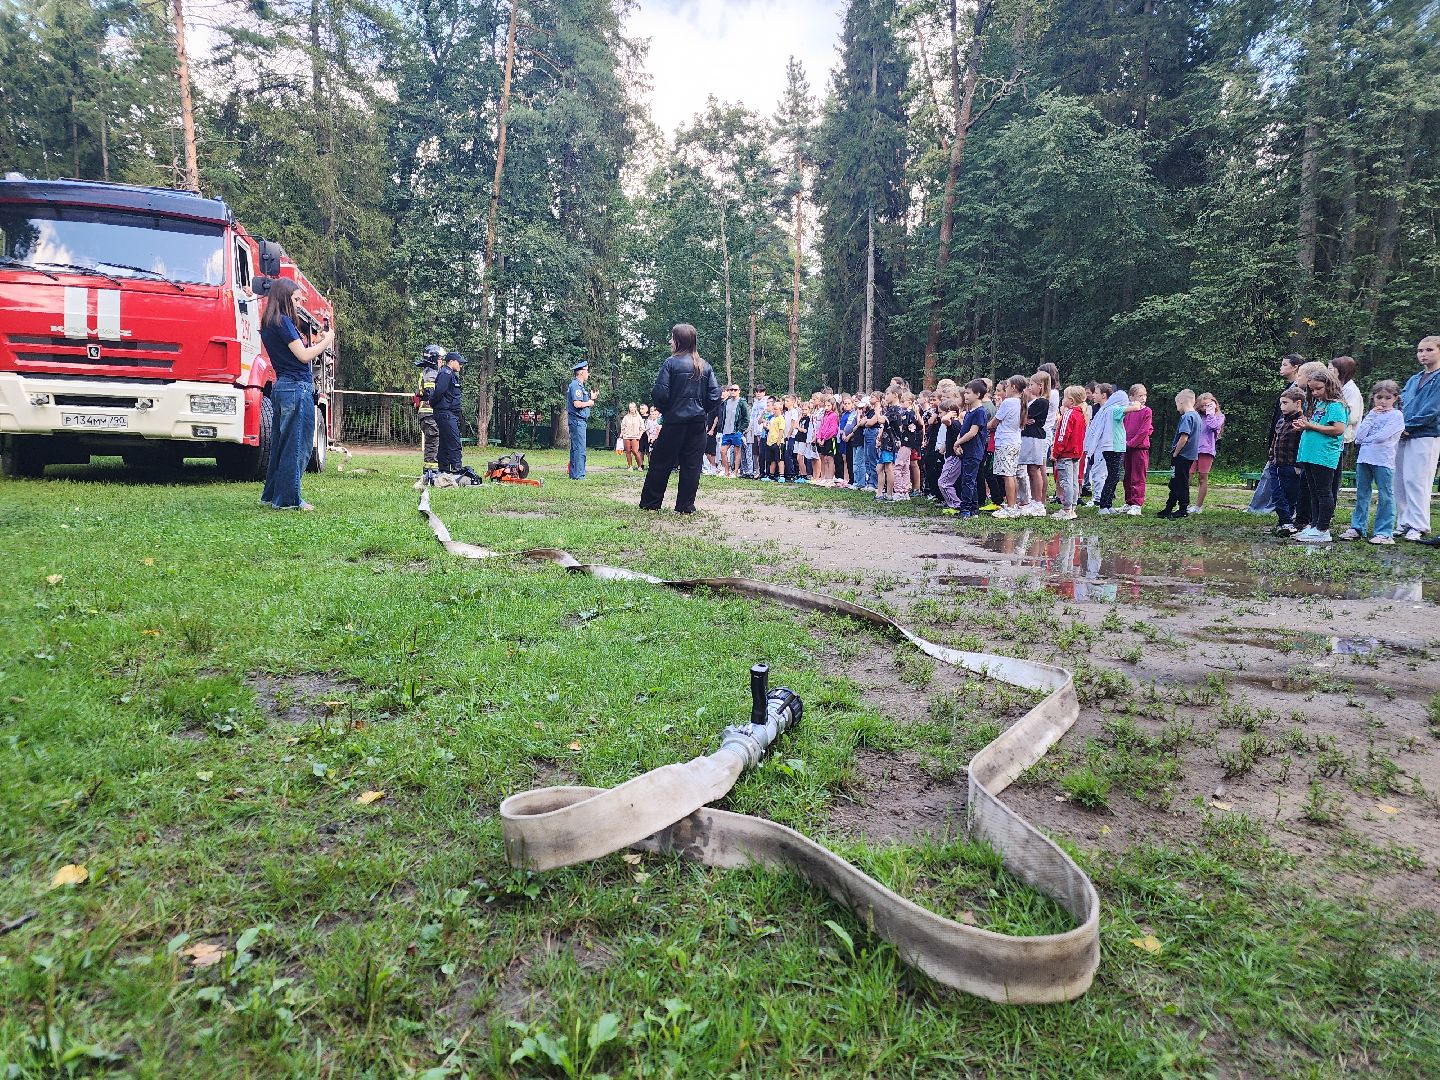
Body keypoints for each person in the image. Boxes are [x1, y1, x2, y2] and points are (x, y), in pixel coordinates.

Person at [258, 278, 334, 510]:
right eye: (296, 299)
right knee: (298, 446)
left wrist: (315, 341)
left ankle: (272, 495)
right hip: (296, 388)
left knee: (281, 446)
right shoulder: (283, 321)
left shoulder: (269, 323)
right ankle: (289, 500)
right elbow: (303, 356)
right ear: (284, 298)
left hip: (282, 386)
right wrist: (327, 341)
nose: (299, 304)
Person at [639, 323, 720, 514]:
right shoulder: (704, 366)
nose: (670, 341)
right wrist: (701, 410)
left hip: (674, 423)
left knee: (660, 462)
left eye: (672, 338)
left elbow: (660, 393)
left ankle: (651, 503)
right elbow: (715, 396)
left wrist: (668, 410)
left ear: (679, 341)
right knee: (692, 466)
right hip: (697, 424)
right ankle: (685, 506)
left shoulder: (670, 363)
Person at [1340, 381, 1404, 544]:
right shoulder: (1371, 414)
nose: (1383, 401)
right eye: (1379, 397)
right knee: (1362, 493)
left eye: (1387, 398)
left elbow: (1383, 436)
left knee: (1385, 495)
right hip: (1364, 458)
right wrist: (1371, 417)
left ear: (1395, 398)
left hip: (1383, 460)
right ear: (1373, 397)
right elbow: (1359, 436)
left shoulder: (1396, 415)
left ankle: (1384, 532)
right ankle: (1357, 527)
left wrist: (1366, 440)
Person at [1291, 367, 1348, 543]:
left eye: (1319, 388)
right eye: (1312, 389)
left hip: (1324, 455)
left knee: (1324, 492)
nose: (1315, 393)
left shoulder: (1336, 405)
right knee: (1313, 492)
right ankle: (1314, 526)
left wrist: (1311, 426)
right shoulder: (1319, 404)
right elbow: (1317, 425)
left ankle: (1323, 529)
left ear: (1329, 385)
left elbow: (1338, 429)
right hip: (1310, 454)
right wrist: (1304, 425)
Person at [1395, 335, 1440, 541]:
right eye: (1420, 350)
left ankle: (1419, 524)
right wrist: (1397, 425)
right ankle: (1404, 521)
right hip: (1403, 434)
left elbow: (1433, 408)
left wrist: (1409, 426)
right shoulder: (1414, 379)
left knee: (1417, 480)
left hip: (1426, 434)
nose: (1423, 354)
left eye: (1429, 350)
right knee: (1400, 479)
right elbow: (1401, 403)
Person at [1246, 354, 1303, 513]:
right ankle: (1259, 507)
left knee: (1278, 478)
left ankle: (1265, 508)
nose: (1281, 368)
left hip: (1288, 445)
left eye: (1285, 365)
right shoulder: (1289, 388)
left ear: (1295, 367)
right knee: (1270, 474)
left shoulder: (1298, 390)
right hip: (1279, 437)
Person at [1267, 387, 1307, 536]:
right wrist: (1271, 457)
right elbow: (1275, 441)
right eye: (1281, 403)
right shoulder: (1280, 421)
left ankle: (1285, 522)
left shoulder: (1303, 423)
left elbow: (1303, 445)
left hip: (1292, 465)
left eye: (1285, 403)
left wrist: (1299, 465)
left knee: (1290, 496)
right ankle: (1285, 521)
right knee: (1277, 494)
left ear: (1298, 403)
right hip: (1276, 464)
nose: (1282, 406)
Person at [1156, 389, 1200, 519]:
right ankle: (1169, 507)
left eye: (1176, 403)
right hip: (1190, 456)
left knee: (1180, 482)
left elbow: (1184, 437)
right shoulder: (1197, 416)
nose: (1176, 407)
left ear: (1180, 401)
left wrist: (1175, 453)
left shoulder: (1187, 417)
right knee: (1175, 481)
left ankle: (1183, 509)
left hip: (1182, 456)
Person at [989, 376, 1026, 518]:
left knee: (1007, 475)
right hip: (1015, 441)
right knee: (1011, 473)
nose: (1006, 388)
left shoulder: (1009, 402)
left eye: (1007, 386)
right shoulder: (1020, 402)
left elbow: (994, 422)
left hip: (1005, 442)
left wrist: (984, 426)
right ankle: (1013, 504)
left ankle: (1010, 507)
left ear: (1013, 388)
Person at [1051, 385, 1087, 521]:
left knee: (1066, 481)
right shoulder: (1081, 415)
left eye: (1065, 397)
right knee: (1073, 481)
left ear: (1071, 400)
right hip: (1076, 454)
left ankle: (1067, 509)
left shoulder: (1068, 414)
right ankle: (1072, 507)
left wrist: (1055, 452)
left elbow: (1062, 435)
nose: (1062, 399)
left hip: (1066, 454)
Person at [1019, 373, 1051, 517]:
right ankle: (1033, 500)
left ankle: (1038, 502)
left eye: (1031, 385)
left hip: (1035, 438)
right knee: (1030, 469)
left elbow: (1026, 415)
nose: (1029, 387)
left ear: (1040, 386)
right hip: (1028, 436)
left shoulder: (1042, 402)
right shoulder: (1035, 401)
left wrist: (1025, 418)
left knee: (1034, 469)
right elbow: (1024, 417)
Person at [1188, 393, 1226, 513]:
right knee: (1187, 476)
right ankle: (1184, 503)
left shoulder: (1219, 417)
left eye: (1208, 405)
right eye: (1203, 405)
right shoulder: (1196, 416)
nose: (1205, 408)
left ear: (1214, 404)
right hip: (1192, 450)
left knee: (1202, 478)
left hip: (1206, 451)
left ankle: (1198, 507)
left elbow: (1213, 426)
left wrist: (1210, 413)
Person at [1095, 386, 1131, 514]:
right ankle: (1103, 505)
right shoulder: (1114, 409)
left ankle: (1108, 504)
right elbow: (1135, 408)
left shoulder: (1110, 410)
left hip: (1116, 447)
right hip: (1113, 448)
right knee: (1112, 476)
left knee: (1114, 476)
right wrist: (1136, 402)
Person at [431, 350, 466, 476]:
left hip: (448, 413)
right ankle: (457, 470)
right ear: (451, 361)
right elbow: (439, 391)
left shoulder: (451, 374)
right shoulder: (446, 373)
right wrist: (434, 404)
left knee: (445, 443)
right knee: (454, 442)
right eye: (459, 363)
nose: (461, 365)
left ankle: (444, 469)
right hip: (445, 413)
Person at [1121, 384, 1152, 516]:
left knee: (1138, 477)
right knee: (1127, 476)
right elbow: (1123, 427)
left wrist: (1131, 443)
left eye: (1145, 395)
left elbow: (1145, 430)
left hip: (1139, 449)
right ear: (1131, 397)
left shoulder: (1147, 411)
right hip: (1127, 448)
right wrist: (1124, 443)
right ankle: (1129, 502)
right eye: (1140, 396)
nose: (1143, 398)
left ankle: (1137, 504)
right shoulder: (1129, 411)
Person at [414, 343, 443, 477]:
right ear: (433, 359)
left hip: (428, 413)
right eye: (440, 359)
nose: (441, 361)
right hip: (429, 413)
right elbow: (432, 394)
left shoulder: (428, 372)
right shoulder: (431, 373)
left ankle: (431, 470)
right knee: (433, 441)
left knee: (434, 441)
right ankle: (431, 471)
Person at [566, 361, 597, 479]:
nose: (588, 373)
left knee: (576, 448)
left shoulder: (577, 386)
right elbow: (577, 404)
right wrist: (589, 402)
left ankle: (574, 474)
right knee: (580, 449)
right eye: (587, 371)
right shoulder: (576, 386)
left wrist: (591, 398)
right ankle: (579, 475)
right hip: (578, 421)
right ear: (581, 373)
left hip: (577, 421)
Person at [717, 384, 749, 479]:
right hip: (726, 431)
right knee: (722, 451)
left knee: (737, 451)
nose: (733, 391)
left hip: (736, 431)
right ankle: (727, 471)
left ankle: (735, 472)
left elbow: (746, 418)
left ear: (739, 391)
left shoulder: (742, 402)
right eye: (731, 390)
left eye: (735, 390)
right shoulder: (726, 402)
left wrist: (741, 430)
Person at [619, 402, 644, 470]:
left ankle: (640, 466)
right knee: (628, 451)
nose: (632, 409)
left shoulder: (639, 417)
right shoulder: (626, 417)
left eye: (633, 407)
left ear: (635, 408)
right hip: (626, 436)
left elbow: (642, 428)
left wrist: (639, 435)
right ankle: (630, 466)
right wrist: (621, 435)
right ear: (629, 408)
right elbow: (623, 427)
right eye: (630, 407)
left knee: (635, 451)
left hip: (635, 436)